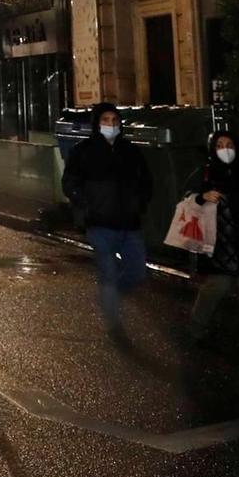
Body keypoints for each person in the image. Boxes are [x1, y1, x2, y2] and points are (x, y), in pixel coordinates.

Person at [61, 102, 153, 339]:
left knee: (137, 270)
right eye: (106, 120)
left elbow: (145, 181)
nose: (111, 125)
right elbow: (70, 182)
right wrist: (85, 203)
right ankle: (113, 324)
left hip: (129, 223)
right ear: (96, 123)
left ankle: (110, 296)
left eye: (115, 121)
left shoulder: (130, 151)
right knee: (108, 272)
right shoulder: (84, 151)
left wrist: (140, 202)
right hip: (99, 224)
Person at [187, 131, 239, 356]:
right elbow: (189, 198)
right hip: (219, 246)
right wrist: (202, 197)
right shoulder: (206, 175)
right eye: (220, 145)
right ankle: (196, 326)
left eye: (230, 144)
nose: (225, 149)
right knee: (216, 287)